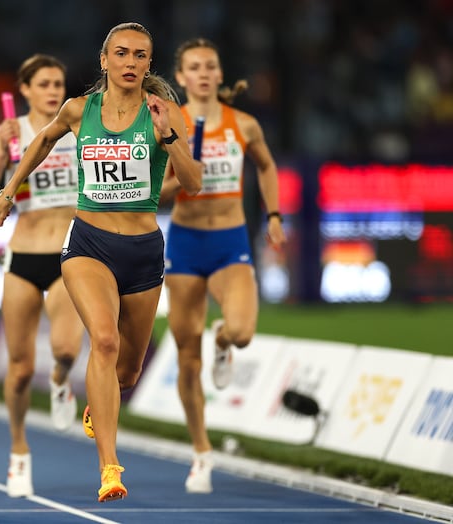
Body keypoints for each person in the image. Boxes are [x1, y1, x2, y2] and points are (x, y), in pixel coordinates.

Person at [0, 23, 203, 502]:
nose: (129, 63)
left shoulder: (164, 112)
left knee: (127, 372)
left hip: (144, 251)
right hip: (89, 244)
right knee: (101, 340)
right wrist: (5, 194)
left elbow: (193, 182)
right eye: (120, 54)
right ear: (104, 61)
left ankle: (101, 402)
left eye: (140, 56)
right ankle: (110, 467)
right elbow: (40, 142)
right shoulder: (80, 110)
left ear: (149, 63)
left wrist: (167, 137)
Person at [161, 38, 285, 494]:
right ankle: (201, 453)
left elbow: (267, 167)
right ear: (181, 77)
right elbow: (154, 193)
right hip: (186, 244)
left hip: (230, 239)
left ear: (218, 73)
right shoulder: (166, 124)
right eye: (194, 67)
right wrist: (183, 174)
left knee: (242, 332)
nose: (203, 73)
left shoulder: (243, 124)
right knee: (186, 357)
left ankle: (223, 340)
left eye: (210, 65)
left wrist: (273, 216)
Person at [0, 54, 85, 498]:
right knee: (19, 370)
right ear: (24, 89)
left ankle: (60, 382)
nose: (53, 90)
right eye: (43, 84)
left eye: (58, 83)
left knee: (64, 350)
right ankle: (19, 451)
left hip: (69, 252)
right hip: (22, 254)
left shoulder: (78, 127)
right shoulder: (12, 132)